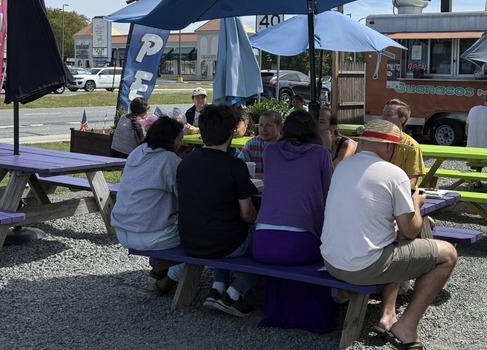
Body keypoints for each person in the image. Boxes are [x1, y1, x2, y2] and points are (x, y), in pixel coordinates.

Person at [320, 120, 458, 349]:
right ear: (389, 147)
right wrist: (416, 202)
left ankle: (388, 314)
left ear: (364, 142)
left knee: (392, 241)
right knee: (448, 254)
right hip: (362, 267)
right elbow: (411, 230)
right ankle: (406, 326)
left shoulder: (342, 167)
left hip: (332, 260)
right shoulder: (395, 174)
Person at [252, 110, 336, 333]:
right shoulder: (320, 154)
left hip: (262, 242)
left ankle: (277, 309)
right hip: (300, 243)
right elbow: (329, 195)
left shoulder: (271, 151)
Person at [177, 104, 260, 318]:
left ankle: (218, 286)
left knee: (223, 230)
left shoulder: (185, 163)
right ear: (231, 131)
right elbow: (247, 214)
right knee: (271, 243)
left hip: (190, 240)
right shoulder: (235, 166)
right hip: (225, 243)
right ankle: (235, 292)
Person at [111, 116, 185, 295]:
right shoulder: (170, 160)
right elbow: (186, 197)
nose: (181, 143)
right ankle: (171, 277)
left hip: (121, 230)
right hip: (151, 234)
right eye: (180, 139)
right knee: (207, 239)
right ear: (170, 139)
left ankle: (162, 265)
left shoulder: (137, 152)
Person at [382, 98, 425, 188]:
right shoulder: (375, 141)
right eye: (383, 113)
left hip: (400, 192)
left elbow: (412, 181)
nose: (383, 118)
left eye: (388, 114)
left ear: (401, 120)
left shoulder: (411, 146)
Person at [238, 110, 282, 178]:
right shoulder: (252, 144)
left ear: (279, 127)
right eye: (261, 125)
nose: (263, 129)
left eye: (269, 125)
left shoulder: (286, 146)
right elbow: (239, 169)